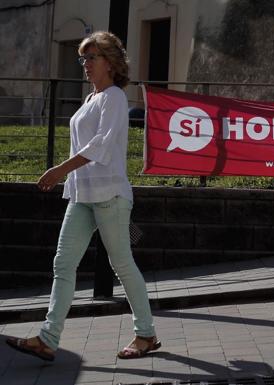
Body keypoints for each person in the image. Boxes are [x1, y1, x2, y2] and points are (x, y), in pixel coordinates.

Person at [5, 31, 160, 361]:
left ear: (110, 62)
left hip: (110, 195)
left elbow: (101, 146)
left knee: (122, 264)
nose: (85, 64)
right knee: (63, 263)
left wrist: (59, 170)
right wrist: (68, 178)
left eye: (92, 58)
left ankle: (145, 334)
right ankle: (48, 338)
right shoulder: (91, 99)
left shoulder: (115, 97)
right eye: (82, 58)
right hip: (82, 195)